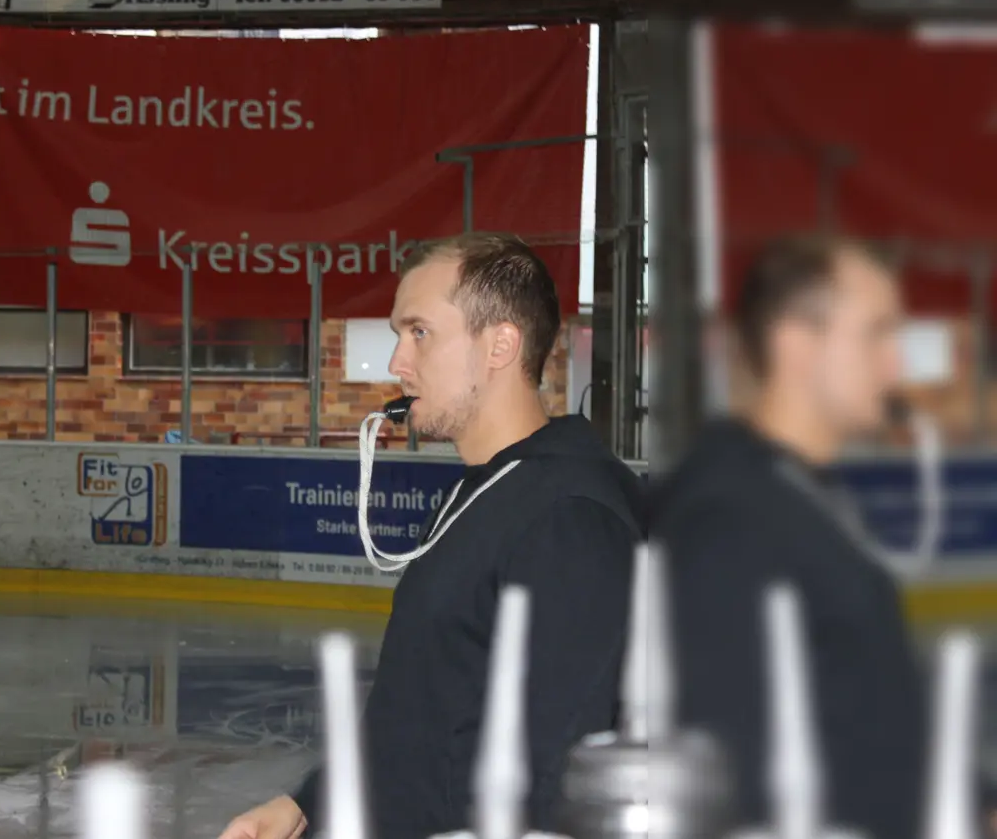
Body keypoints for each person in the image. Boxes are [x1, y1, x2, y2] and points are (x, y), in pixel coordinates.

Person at [220, 234, 644, 839]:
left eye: (419, 332)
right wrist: (309, 803)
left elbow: (559, 782)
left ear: (500, 344)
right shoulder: (479, 494)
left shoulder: (568, 519)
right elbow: (418, 710)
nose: (397, 362)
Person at [651, 236, 997, 839]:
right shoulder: (727, 517)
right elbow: (733, 769)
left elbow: (863, 702)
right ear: (796, 345)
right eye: (876, 333)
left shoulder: (804, 492)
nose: (896, 365)